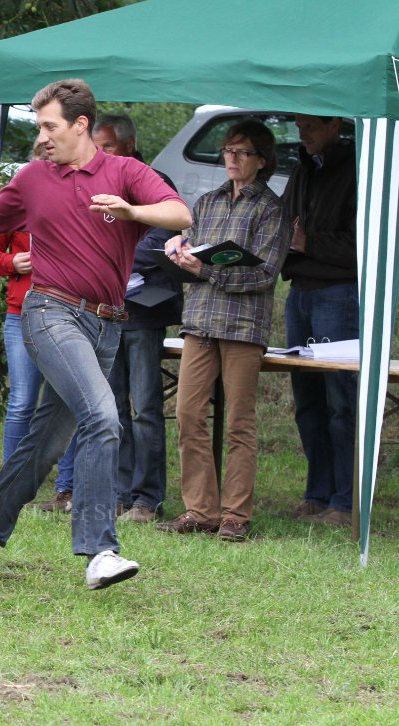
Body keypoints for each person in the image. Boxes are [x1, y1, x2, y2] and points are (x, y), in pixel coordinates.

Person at [0, 79, 190, 590]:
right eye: (39, 127)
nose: (43, 136)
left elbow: (180, 213)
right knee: (102, 417)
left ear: (81, 125)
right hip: (50, 312)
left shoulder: (125, 172)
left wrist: (132, 212)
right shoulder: (33, 178)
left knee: (47, 443)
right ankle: (100, 550)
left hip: (108, 326)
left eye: (50, 126)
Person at [159, 120, 291, 542]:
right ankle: (201, 510)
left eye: (242, 151)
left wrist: (208, 271)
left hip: (242, 326)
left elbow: (267, 274)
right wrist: (180, 250)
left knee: (239, 422)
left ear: (262, 161)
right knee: (188, 414)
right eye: (228, 150)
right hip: (199, 320)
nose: (231, 157)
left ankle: (236, 515)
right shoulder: (207, 201)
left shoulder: (271, 208)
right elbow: (194, 250)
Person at [92, 114, 183, 523]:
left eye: (107, 146)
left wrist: (115, 259)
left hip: (144, 313)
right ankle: (119, 493)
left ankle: (148, 499)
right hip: (106, 312)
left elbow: (165, 241)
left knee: (145, 407)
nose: (99, 153)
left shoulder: (154, 181)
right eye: (96, 146)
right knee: (112, 408)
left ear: (128, 146)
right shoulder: (94, 182)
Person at [281, 115, 358, 528]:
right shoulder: (304, 168)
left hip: (339, 293)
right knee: (307, 397)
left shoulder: (358, 169)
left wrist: (310, 243)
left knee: (340, 399)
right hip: (300, 293)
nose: (301, 133)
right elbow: (284, 223)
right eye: (298, 125)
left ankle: (345, 502)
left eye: (309, 125)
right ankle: (318, 493)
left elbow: (364, 243)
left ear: (333, 124)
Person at [0, 229, 41, 466]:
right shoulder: (15, 199)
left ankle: (67, 488)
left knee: (66, 403)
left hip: (67, 313)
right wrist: (11, 261)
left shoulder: (76, 196)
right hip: (21, 314)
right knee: (22, 401)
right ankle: (11, 482)